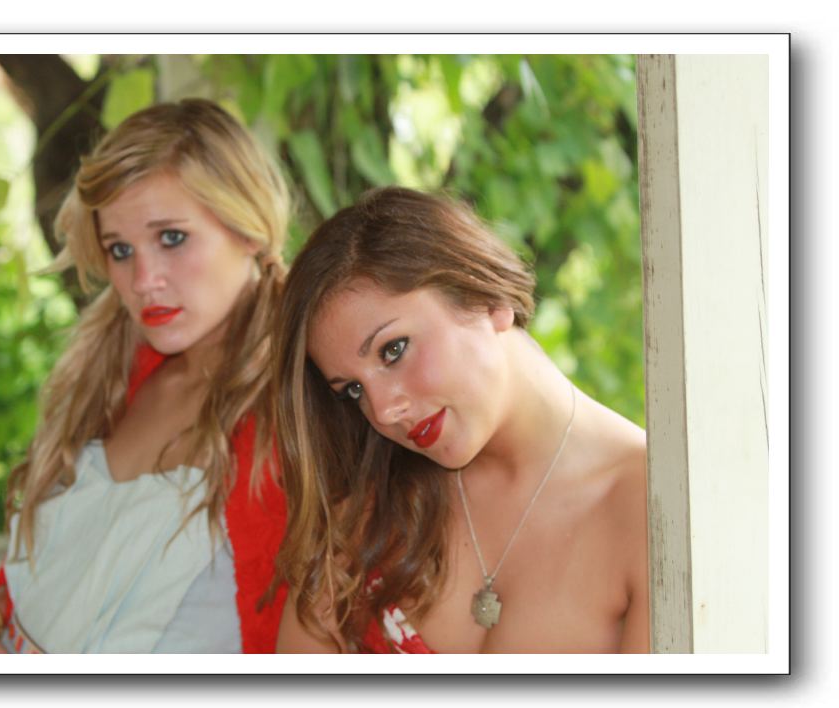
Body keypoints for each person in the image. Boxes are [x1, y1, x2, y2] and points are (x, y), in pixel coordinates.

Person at [0, 98, 289, 653]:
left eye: (171, 238)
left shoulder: (307, 402)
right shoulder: (109, 373)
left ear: (249, 227)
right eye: (120, 250)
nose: (143, 280)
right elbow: (54, 578)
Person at [273, 187, 648, 653]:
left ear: (486, 296)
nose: (383, 411)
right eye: (353, 390)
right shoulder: (368, 516)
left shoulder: (652, 506)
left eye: (393, 350)